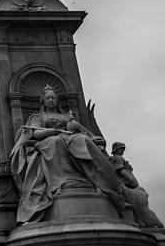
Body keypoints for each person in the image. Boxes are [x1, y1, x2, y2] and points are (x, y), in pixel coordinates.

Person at [11, 85, 123, 224]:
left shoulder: (66, 116)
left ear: (57, 100)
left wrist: (88, 135)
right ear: (43, 101)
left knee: (83, 140)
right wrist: (53, 131)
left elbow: (81, 131)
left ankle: (94, 178)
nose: (51, 100)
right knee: (55, 142)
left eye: (53, 98)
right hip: (48, 140)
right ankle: (62, 182)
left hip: (69, 138)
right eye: (48, 98)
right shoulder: (38, 116)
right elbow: (36, 133)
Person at [109, 141, 164, 229]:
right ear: (116, 150)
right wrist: (132, 180)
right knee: (139, 204)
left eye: (123, 149)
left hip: (127, 185)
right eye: (120, 149)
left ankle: (140, 220)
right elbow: (120, 170)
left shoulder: (116, 158)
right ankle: (151, 222)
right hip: (125, 184)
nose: (122, 151)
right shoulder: (118, 158)